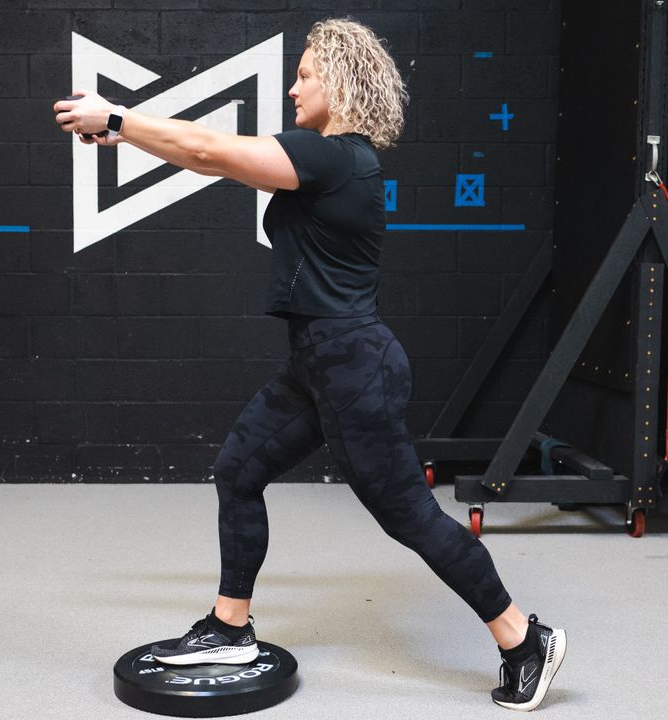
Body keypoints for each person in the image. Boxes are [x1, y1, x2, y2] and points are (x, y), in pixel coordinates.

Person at [54, 17, 566, 712]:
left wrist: (117, 114)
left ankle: (523, 639)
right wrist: (125, 135)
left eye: (305, 74)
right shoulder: (330, 161)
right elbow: (213, 159)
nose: (294, 89)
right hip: (320, 365)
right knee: (238, 469)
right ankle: (231, 624)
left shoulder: (335, 156)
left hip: (354, 367)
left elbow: (209, 150)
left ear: (343, 81)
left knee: (409, 517)